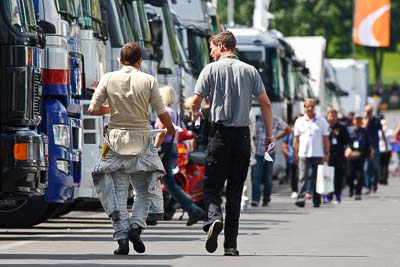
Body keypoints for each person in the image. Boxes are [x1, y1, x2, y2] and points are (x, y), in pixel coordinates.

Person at [190, 31, 273, 256]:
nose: (211, 53)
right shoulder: (250, 70)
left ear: (221, 46)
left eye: (212, 48)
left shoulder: (210, 69)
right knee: (235, 191)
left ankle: (214, 218)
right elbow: (265, 103)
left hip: (219, 135)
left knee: (212, 186)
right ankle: (231, 245)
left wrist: (194, 113)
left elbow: (196, 100)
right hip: (242, 136)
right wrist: (269, 135)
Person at [88, 42, 175, 255]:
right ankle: (136, 227)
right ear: (139, 62)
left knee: (117, 192)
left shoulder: (108, 78)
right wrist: (171, 129)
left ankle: (121, 240)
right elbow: (161, 114)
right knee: (143, 190)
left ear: (120, 60)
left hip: (115, 142)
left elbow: (92, 109)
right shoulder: (148, 80)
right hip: (142, 142)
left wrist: (113, 109)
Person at [155, 85, 204, 226]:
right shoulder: (173, 112)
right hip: (172, 149)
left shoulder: (165, 111)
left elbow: (163, 132)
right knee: (169, 184)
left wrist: (154, 148)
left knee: (164, 182)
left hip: (165, 149)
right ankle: (192, 209)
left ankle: (192, 209)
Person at [293, 99, 330, 208]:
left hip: (317, 153)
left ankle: (317, 200)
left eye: (312, 106)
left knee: (317, 178)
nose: (310, 108)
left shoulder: (321, 121)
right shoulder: (299, 121)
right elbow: (296, 139)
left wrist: (327, 152)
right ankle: (301, 198)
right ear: (304, 107)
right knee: (302, 177)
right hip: (303, 153)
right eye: (308, 106)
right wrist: (295, 152)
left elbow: (325, 138)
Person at [251, 114, 291, 207]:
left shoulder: (275, 119)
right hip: (257, 151)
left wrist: (277, 138)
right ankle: (255, 199)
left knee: (268, 177)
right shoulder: (256, 119)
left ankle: (266, 199)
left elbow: (288, 129)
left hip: (269, 152)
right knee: (256, 176)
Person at [324, 109, 350, 204]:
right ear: (327, 117)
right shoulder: (324, 127)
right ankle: (327, 195)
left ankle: (337, 195)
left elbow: (347, 141)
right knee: (327, 176)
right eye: (330, 116)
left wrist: (348, 149)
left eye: (334, 116)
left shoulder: (342, 128)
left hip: (339, 155)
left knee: (338, 177)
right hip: (327, 155)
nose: (332, 118)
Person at [345, 114, 372, 200]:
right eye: (356, 119)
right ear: (353, 121)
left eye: (359, 119)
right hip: (351, 155)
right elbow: (345, 141)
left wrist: (370, 152)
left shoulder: (364, 131)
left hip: (361, 155)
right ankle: (351, 189)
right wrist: (347, 148)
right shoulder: (348, 130)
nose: (357, 121)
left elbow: (368, 143)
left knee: (360, 175)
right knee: (350, 175)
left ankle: (358, 192)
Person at [363, 105, 388, 193]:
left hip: (375, 147)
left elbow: (382, 132)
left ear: (372, 111)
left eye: (369, 111)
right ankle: (368, 186)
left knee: (375, 167)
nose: (368, 113)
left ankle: (374, 184)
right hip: (366, 148)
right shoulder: (363, 120)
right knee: (366, 168)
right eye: (366, 111)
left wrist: (386, 144)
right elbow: (362, 130)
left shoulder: (376, 120)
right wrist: (366, 122)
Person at [282, 114, 302, 199]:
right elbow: (284, 146)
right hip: (292, 156)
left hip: (304, 155)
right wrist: (288, 155)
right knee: (294, 175)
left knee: (303, 175)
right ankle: (294, 190)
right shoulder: (290, 131)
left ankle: (305, 190)